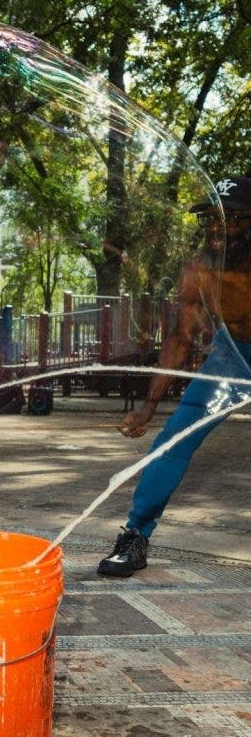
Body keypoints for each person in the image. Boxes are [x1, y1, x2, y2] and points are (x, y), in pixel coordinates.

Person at [98, 176, 251, 577]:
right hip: (231, 359)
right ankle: (135, 536)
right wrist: (149, 405)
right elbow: (182, 336)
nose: (216, 229)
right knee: (173, 440)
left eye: (230, 219)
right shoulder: (200, 269)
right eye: (210, 219)